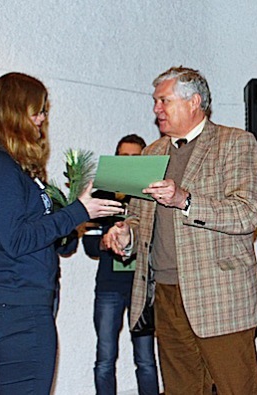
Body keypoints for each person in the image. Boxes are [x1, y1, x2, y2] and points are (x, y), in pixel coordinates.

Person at [0, 72, 124, 394]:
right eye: (37, 111)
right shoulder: (1, 168)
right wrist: (77, 211)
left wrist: (66, 225)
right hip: (18, 312)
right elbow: (17, 240)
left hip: (2, 306)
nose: (42, 119)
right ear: (13, 112)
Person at [104, 66, 257, 395]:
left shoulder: (235, 142)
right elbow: (139, 218)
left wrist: (185, 200)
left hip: (219, 296)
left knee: (239, 388)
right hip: (164, 292)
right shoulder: (151, 152)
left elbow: (247, 214)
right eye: (155, 101)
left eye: (163, 100)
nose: (156, 109)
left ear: (193, 102)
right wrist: (127, 235)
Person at [82, 134, 160, 395]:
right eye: (124, 158)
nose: (129, 163)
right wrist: (106, 241)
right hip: (109, 288)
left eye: (136, 158)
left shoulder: (152, 197)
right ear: (116, 159)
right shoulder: (101, 194)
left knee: (146, 360)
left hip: (143, 287)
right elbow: (88, 245)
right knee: (105, 358)